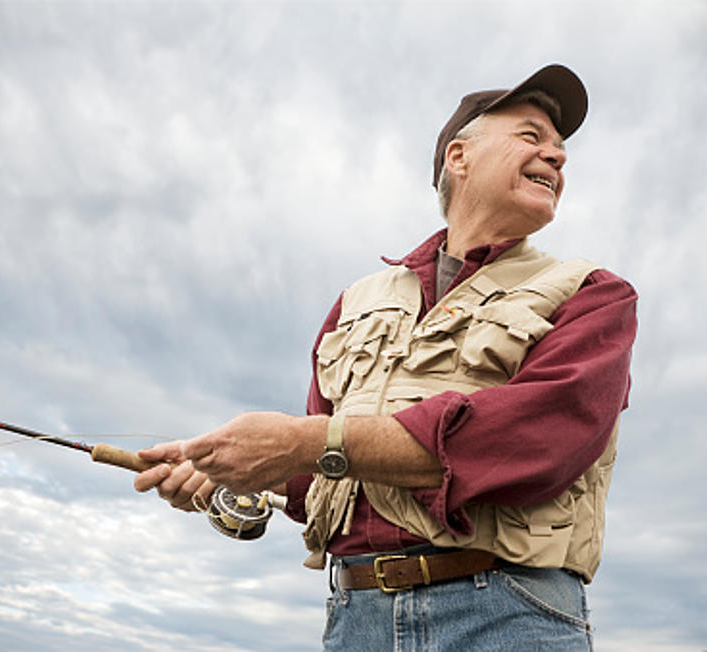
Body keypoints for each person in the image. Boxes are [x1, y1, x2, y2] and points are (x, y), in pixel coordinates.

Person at [133, 63, 637, 651]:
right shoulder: (354, 303)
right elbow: (319, 477)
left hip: (511, 615)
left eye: (560, 148)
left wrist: (301, 442)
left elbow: (533, 442)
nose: (558, 156)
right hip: (355, 619)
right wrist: (221, 471)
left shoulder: (593, 294)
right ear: (459, 156)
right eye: (532, 136)